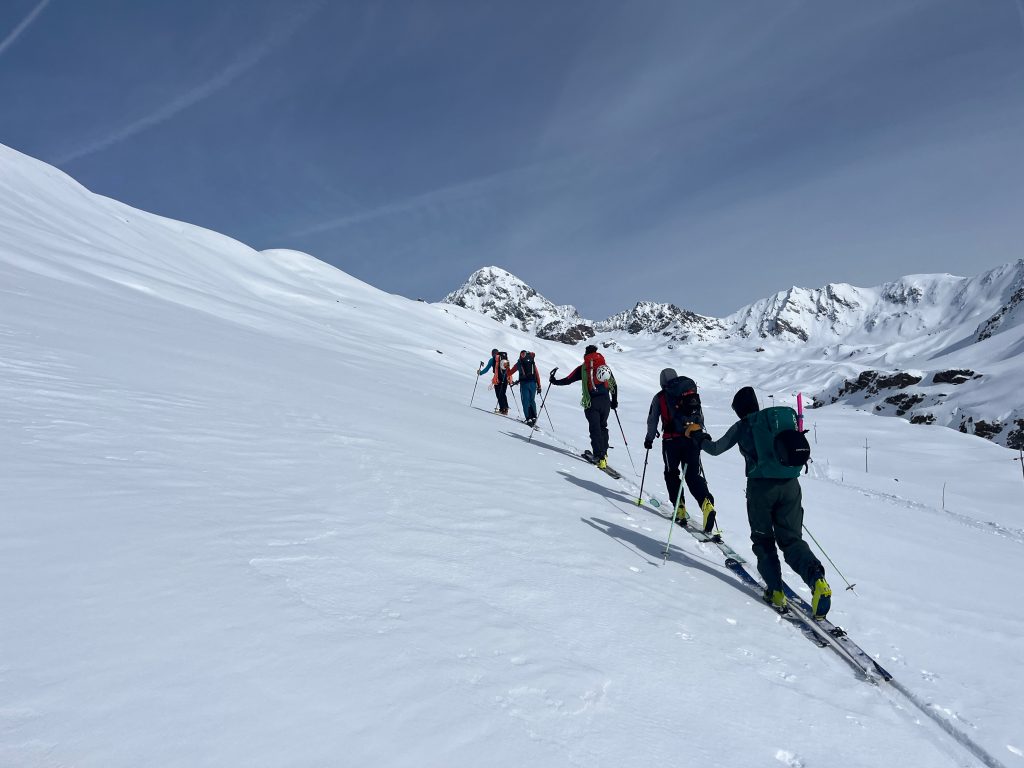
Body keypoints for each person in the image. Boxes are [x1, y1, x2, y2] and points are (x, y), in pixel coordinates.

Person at [690, 386, 832, 618]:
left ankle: (775, 591)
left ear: (738, 410)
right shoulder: (777, 422)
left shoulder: (743, 425)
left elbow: (715, 449)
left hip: (760, 489)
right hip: (790, 486)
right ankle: (817, 580)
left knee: (764, 540)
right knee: (793, 541)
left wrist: (697, 435)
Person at [643, 368, 716, 533]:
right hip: (692, 440)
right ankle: (707, 504)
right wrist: (697, 434)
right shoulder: (690, 392)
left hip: (670, 442)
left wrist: (649, 438)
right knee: (693, 475)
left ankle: (680, 508)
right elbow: (700, 416)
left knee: (671, 473)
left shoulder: (660, 397)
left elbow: (652, 419)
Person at [549, 344, 618, 468]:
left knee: (595, 429)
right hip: (605, 402)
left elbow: (568, 380)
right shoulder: (604, 366)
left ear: (586, 354)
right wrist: (614, 401)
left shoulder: (583, 368)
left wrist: (554, 381)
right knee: (603, 427)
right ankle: (604, 453)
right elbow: (614, 384)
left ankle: (599, 457)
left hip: (591, 402)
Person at [509, 350, 542, 426]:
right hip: (533, 384)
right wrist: (539, 386)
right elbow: (537, 374)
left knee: (525, 401)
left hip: (524, 384)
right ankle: (534, 417)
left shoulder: (519, 363)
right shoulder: (532, 362)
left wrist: (506, 367)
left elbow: (509, 373)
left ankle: (528, 419)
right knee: (532, 400)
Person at [478, 349, 510, 415]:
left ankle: (502, 409)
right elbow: (508, 369)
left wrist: (480, 373)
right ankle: (505, 409)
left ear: (492, 353)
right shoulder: (505, 359)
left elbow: (487, 369)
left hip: (497, 379)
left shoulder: (492, 360)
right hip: (505, 378)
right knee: (503, 393)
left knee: (498, 393)